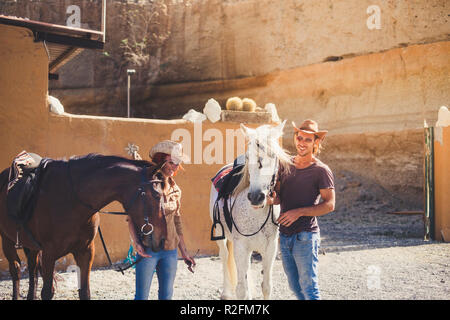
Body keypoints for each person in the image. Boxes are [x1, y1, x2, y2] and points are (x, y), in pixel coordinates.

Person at [267, 119, 335, 300]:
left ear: (316, 143)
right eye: (300, 138)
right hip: (284, 235)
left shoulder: (321, 170)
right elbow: (280, 196)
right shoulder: (284, 163)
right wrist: (273, 200)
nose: (302, 143)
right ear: (295, 138)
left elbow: (330, 204)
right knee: (295, 287)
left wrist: (299, 212)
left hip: (305, 236)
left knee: (309, 288)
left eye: (307, 140)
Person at [127, 140, 196, 300]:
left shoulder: (176, 189)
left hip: (170, 252)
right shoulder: (146, 186)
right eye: (171, 162)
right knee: (141, 296)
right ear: (160, 162)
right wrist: (136, 243)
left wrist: (184, 252)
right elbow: (131, 218)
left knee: (166, 296)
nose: (175, 167)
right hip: (148, 250)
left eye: (177, 163)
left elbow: (177, 222)